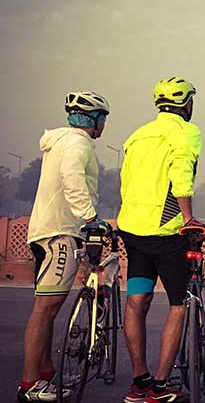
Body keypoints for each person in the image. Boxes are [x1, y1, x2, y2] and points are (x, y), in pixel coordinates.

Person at [17, 92, 112, 403]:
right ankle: (30, 384)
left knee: (49, 308)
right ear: (95, 119)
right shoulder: (78, 143)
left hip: (46, 231)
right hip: (60, 234)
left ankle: (44, 373)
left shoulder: (60, 141)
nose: (104, 125)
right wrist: (91, 217)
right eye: (103, 119)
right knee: (44, 311)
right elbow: (72, 178)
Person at [117, 77, 204, 403]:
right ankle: (160, 386)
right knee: (179, 305)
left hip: (133, 228)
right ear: (187, 104)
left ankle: (139, 380)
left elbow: (126, 180)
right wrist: (188, 218)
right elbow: (181, 173)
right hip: (166, 232)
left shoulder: (136, 135)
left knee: (137, 300)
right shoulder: (185, 131)